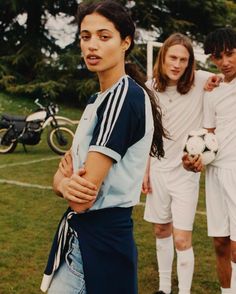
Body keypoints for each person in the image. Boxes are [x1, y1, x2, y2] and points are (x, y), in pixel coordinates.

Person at [40, 1, 166, 294]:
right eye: (86, 37)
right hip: (85, 242)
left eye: (103, 36)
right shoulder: (98, 100)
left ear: (125, 42)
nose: (92, 45)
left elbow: (80, 199)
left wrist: (62, 182)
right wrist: (63, 182)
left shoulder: (122, 98)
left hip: (96, 249)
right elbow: (66, 174)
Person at [142, 33, 220, 294]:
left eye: (183, 60)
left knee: (182, 237)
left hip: (185, 173)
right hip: (158, 170)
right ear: (163, 57)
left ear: (190, 63)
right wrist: (146, 170)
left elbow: (223, 78)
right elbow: (147, 134)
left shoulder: (200, 81)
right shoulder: (149, 87)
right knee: (161, 230)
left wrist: (216, 80)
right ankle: (164, 288)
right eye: (173, 58)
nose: (177, 64)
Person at [184, 27, 236, 294]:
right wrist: (195, 158)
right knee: (220, 244)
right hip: (215, 174)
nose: (224, 62)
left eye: (230, 54)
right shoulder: (212, 92)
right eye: (218, 57)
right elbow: (209, 135)